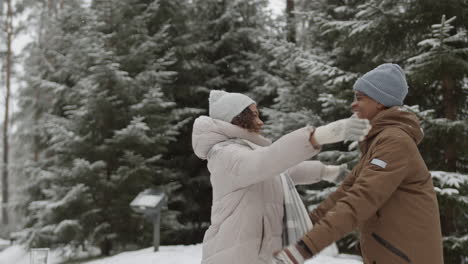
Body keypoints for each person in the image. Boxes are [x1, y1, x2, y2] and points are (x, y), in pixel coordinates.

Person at [273, 63, 444, 264]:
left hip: (406, 257)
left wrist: (305, 247)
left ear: (380, 102)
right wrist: (305, 227)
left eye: (359, 98)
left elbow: (361, 198)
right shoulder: (380, 141)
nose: (353, 104)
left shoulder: (395, 142)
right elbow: (345, 192)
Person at [192, 90, 371, 264]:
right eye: (253, 116)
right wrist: (318, 136)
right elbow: (266, 161)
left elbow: (283, 171)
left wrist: (328, 172)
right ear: (237, 119)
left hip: (255, 253)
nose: (260, 122)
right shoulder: (226, 154)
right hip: (234, 255)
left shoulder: (245, 151)